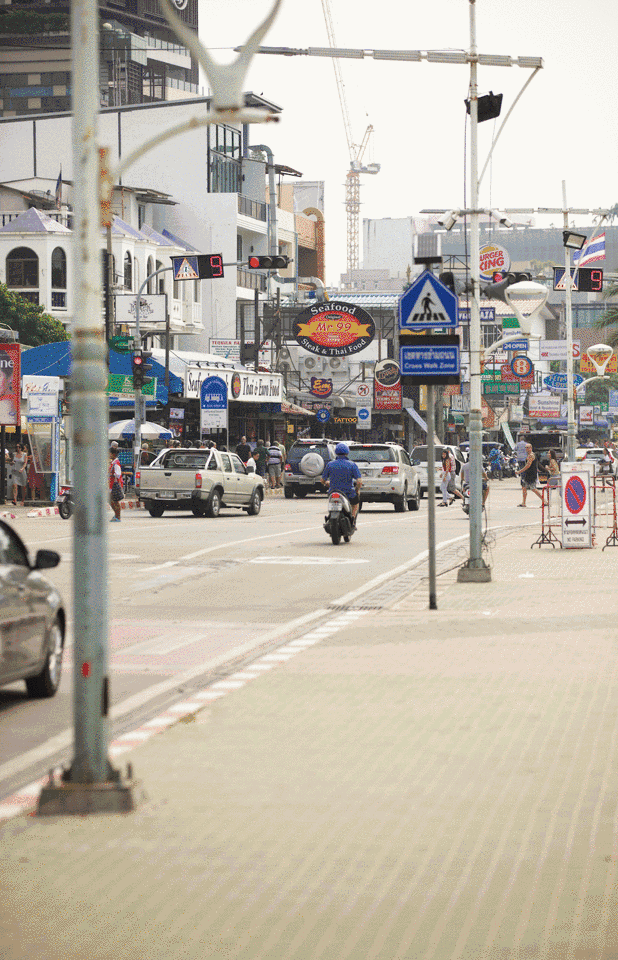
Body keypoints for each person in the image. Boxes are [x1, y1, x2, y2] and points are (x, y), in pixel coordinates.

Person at [321, 442, 362, 524]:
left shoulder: (330, 464)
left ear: (336, 452)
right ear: (347, 452)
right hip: (348, 493)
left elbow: (322, 480)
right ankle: (353, 520)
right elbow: (359, 481)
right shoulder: (352, 465)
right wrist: (357, 490)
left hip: (333, 492)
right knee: (355, 504)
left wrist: (327, 483)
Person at [109, 446, 124, 522]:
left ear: (113, 454)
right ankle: (116, 515)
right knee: (111, 500)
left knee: (115, 501)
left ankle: (118, 516)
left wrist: (112, 475)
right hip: (111, 484)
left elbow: (118, 474)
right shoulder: (113, 462)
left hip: (115, 484)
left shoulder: (116, 463)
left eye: (110, 453)